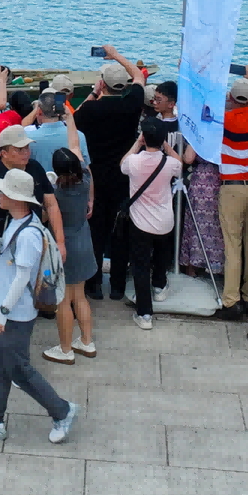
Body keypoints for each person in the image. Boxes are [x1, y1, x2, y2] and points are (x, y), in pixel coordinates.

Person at [0, 168, 77, 443]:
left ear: (16, 198)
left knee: (19, 370)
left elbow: (21, 277)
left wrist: (2, 314)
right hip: (6, 308)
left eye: (3, 191)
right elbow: (13, 258)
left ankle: (62, 411)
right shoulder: (19, 221)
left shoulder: (29, 233)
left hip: (14, 313)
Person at [74, 52, 146, 301]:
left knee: (96, 230)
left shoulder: (92, 108)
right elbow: (138, 76)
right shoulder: (132, 104)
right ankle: (116, 286)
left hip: (96, 176)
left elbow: (73, 121)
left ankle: (93, 285)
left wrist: (94, 93)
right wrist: (116, 55)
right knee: (120, 231)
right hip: (124, 175)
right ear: (124, 86)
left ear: (102, 83)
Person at [214, 73, 248, 319]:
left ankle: (230, 301)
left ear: (231, 98)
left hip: (232, 187)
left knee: (232, 245)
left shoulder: (224, 120)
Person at [118, 118, 179, 329]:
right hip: (165, 220)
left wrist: (137, 144)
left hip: (140, 222)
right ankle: (160, 287)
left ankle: (144, 314)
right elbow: (179, 164)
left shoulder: (134, 162)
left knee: (141, 266)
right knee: (162, 256)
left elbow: (123, 165)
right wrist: (167, 146)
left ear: (143, 137)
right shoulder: (169, 163)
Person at [44, 144, 97, 360]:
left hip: (64, 248)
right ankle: (86, 341)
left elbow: (46, 217)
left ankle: (65, 350)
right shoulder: (85, 182)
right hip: (84, 242)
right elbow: (78, 150)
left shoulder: (55, 193)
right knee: (80, 297)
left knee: (63, 301)